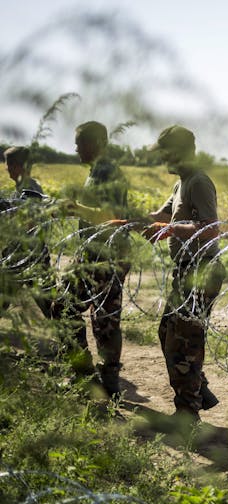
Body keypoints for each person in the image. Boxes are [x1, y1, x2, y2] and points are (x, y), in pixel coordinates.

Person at [145, 124, 224, 422]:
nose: (162, 158)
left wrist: (169, 229)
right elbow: (162, 216)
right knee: (168, 332)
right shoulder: (181, 183)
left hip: (201, 272)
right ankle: (199, 391)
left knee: (185, 342)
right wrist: (129, 218)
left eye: (165, 152)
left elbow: (210, 227)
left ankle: (187, 414)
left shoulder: (199, 182)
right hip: (186, 272)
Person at [50, 121, 131, 394]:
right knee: (67, 308)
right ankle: (88, 375)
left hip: (106, 254)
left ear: (95, 144)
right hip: (92, 252)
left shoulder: (108, 171)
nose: (75, 149)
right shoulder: (97, 171)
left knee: (102, 320)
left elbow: (109, 215)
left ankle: (104, 383)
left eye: (79, 143)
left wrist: (75, 207)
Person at [1, 146, 54, 316]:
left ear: (18, 166)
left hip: (30, 255)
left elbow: (30, 223)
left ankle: (71, 338)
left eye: (8, 164)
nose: (6, 168)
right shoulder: (20, 188)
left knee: (50, 305)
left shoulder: (31, 189)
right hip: (19, 253)